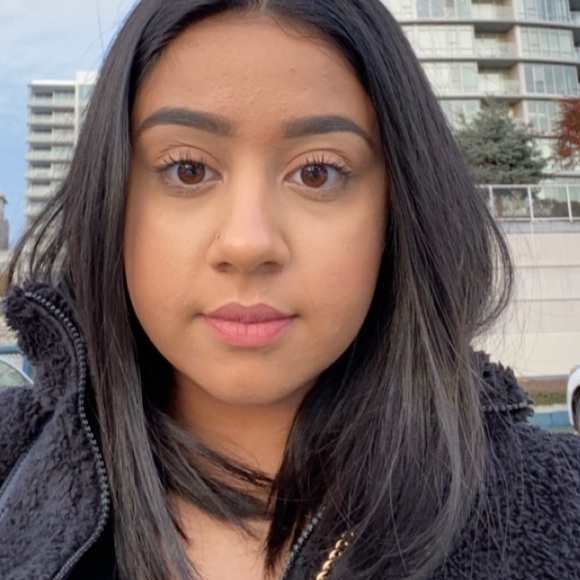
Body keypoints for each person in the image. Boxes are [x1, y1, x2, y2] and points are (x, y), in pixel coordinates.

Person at [1, 1, 579, 579]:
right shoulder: (12, 463)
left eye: (316, 172)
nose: (248, 244)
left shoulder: (559, 508)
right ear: (114, 198)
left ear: (396, 209)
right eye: (188, 169)